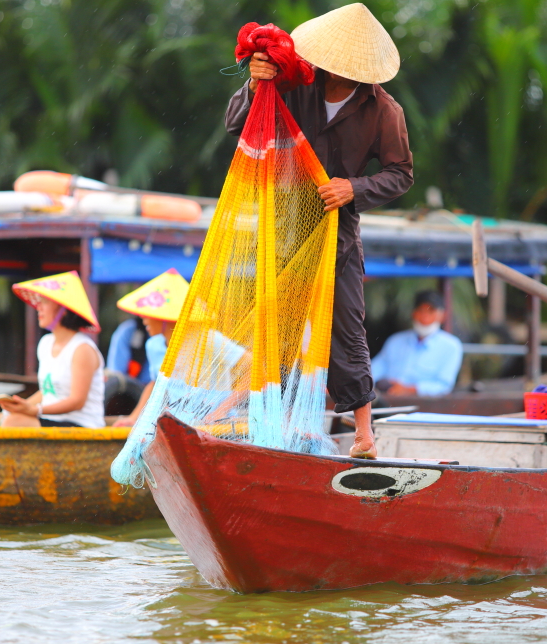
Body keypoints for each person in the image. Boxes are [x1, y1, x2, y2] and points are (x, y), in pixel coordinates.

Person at [225, 3, 413, 458]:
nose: (338, 73)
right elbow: (237, 123)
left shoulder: (384, 110)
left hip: (338, 233)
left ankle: (364, 435)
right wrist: (257, 81)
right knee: (279, 327)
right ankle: (280, 424)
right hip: (283, 225)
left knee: (346, 330)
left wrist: (354, 187)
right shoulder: (295, 85)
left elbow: (401, 174)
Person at [0, 271, 105, 428]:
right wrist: (12, 410)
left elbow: (77, 401)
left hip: (82, 425)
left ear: (64, 310)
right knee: (9, 418)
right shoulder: (45, 343)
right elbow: (47, 391)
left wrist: (34, 410)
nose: (38, 307)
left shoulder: (82, 349)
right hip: (51, 420)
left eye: (44, 302)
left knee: (15, 422)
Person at [111, 269, 190, 428]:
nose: (143, 318)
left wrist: (221, 411)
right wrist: (133, 418)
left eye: (148, 313)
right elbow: (156, 384)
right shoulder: (153, 345)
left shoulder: (205, 341)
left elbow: (248, 369)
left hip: (213, 423)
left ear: (164, 316)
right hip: (179, 422)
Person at [371, 290, 463, 396]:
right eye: (421, 310)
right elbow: (373, 372)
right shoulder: (395, 341)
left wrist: (409, 389)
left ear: (442, 316)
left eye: (431, 311)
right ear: (413, 313)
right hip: (389, 401)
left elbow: (444, 386)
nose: (425, 316)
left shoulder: (451, 346)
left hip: (427, 406)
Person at [106, 317, 152, 384]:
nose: (145, 322)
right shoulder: (128, 329)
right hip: (128, 386)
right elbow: (117, 374)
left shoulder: (159, 339)